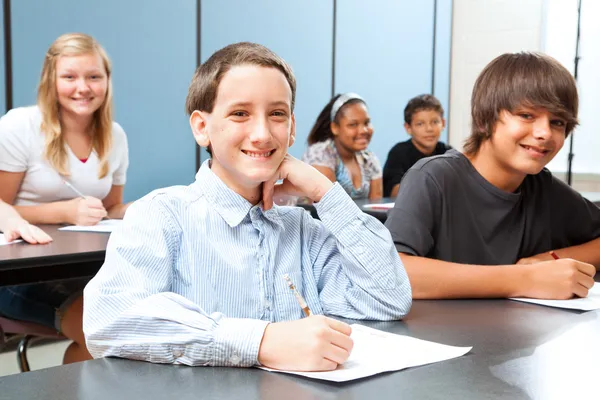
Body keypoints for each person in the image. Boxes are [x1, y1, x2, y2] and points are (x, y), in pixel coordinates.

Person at [83, 42, 411, 371]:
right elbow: (109, 318)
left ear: (292, 128)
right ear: (201, 127)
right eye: (240, 113)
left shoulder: (302, 230)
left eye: (277, 114)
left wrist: (323, 190)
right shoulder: (162, 215)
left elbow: (388, 298)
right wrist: (260, 341)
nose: (262, 133)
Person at [384, 52, 600, 300]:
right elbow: (393, 273)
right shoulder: (432, 177)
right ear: (483, 119)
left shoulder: (544, 188)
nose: (545, 133)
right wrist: (526, 279)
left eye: (558, 122)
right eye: (526, 115)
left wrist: (549, 261)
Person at [0, 33, 130, 363]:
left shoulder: (114, 135)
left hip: (85, 269)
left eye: (93, 77)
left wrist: (137, 209)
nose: (82, 87)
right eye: (69, 77)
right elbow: (1, 210)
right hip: (23, 275)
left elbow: (109, 209)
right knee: (103, 335)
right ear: (51, 80)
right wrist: (65, 211)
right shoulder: (20, 126)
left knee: (136, 330)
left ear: (107, 81)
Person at [302, 94, 382, 200]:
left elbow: (375, 207)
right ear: (334, 128)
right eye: (353, 124)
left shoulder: (369, 159)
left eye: (367, 123)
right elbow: (328, 207)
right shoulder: (321, 154)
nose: (364, 130)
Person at [383, 94, 451, 197]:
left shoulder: (448, 153)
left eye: (435, 122)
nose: (429, 129)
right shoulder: (398, 153)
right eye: (420, 124)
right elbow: (394, 191)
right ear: (408, 127)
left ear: (443, 123)